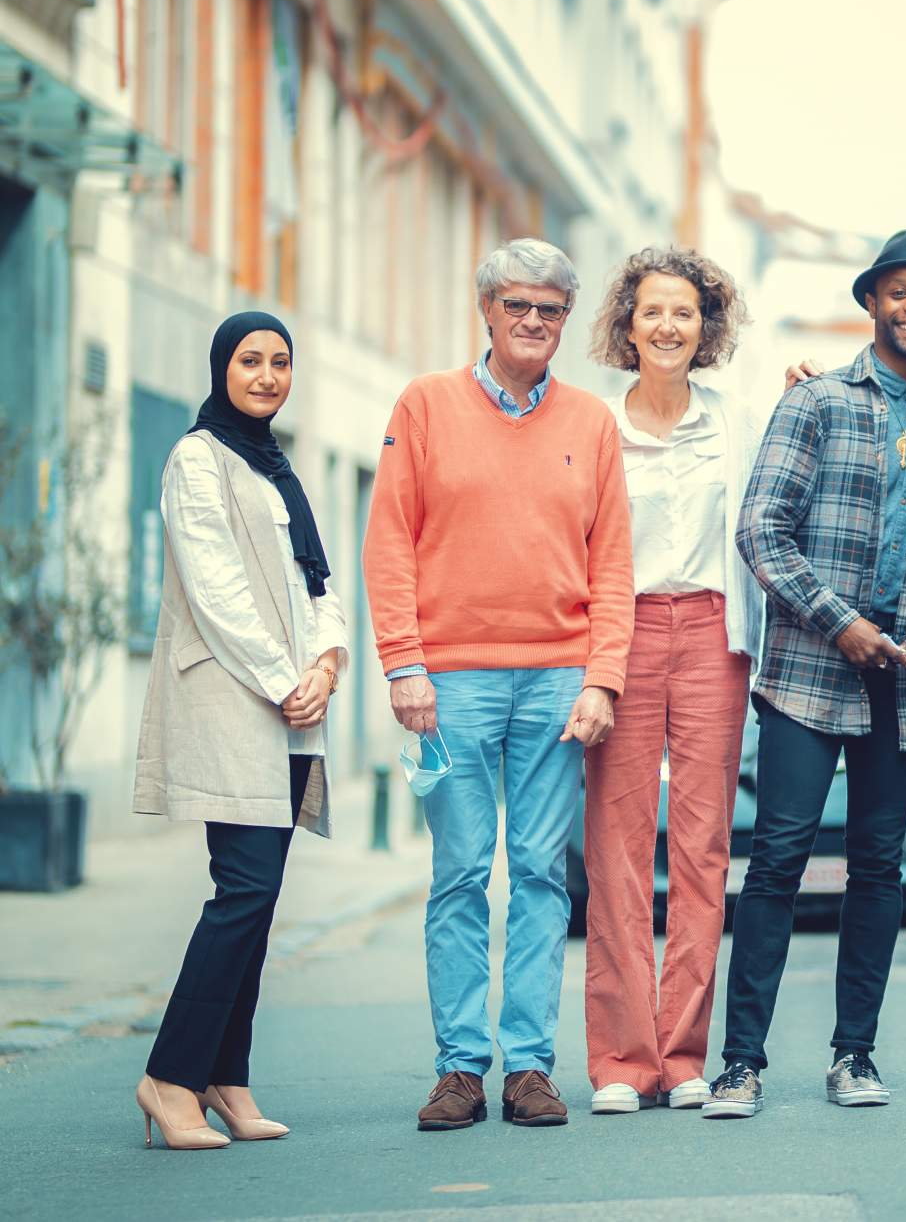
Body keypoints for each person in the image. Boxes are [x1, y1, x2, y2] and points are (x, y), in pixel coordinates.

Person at [363, 237, 635, 1132]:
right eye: (517, 305)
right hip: (452, 683)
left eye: (550, 310)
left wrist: (602, 678)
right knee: (460, 875)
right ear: (487, 310)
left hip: (558, 682)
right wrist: (404, 662)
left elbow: (613, 562)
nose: (532, 321)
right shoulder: (427, 404)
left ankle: (528, 1067)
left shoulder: (592, 423)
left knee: (541, 879)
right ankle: (458, 1069)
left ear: (565, 321)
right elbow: (390, 541)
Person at [704, 229, 906, 1120]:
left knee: (879, 868)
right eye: (899, 291)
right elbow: (760, 531)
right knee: (778, 859)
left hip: (905, 681)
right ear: (872, 301)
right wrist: (841, 622)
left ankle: (853, 1053)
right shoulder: (814, 403)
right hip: (810, 674)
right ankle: (740, 1063)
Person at [133, 311, 347, 1149]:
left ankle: (226, 1074)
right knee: (243, 891)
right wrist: (285, 676)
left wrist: (327, 664)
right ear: (222, 366)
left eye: (280, 361)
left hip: (293, 708)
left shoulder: (275, 466)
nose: (266, 374)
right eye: (251, 360)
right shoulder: (197, 458)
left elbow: (317, 583)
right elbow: (215, 586)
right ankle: (169, 1076)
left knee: (258, 903)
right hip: (237, 700)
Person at [581, 247, 762, 1114]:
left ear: (706, 328)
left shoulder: (734, 418)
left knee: (702, 848)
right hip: (622, 630)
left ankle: (683, 1054)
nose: (667, 326)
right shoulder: (592, 424)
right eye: (652, 310)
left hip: (714, 635)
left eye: (685, 312)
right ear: (627, 323)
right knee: (617, 848)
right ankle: (622, 1058)